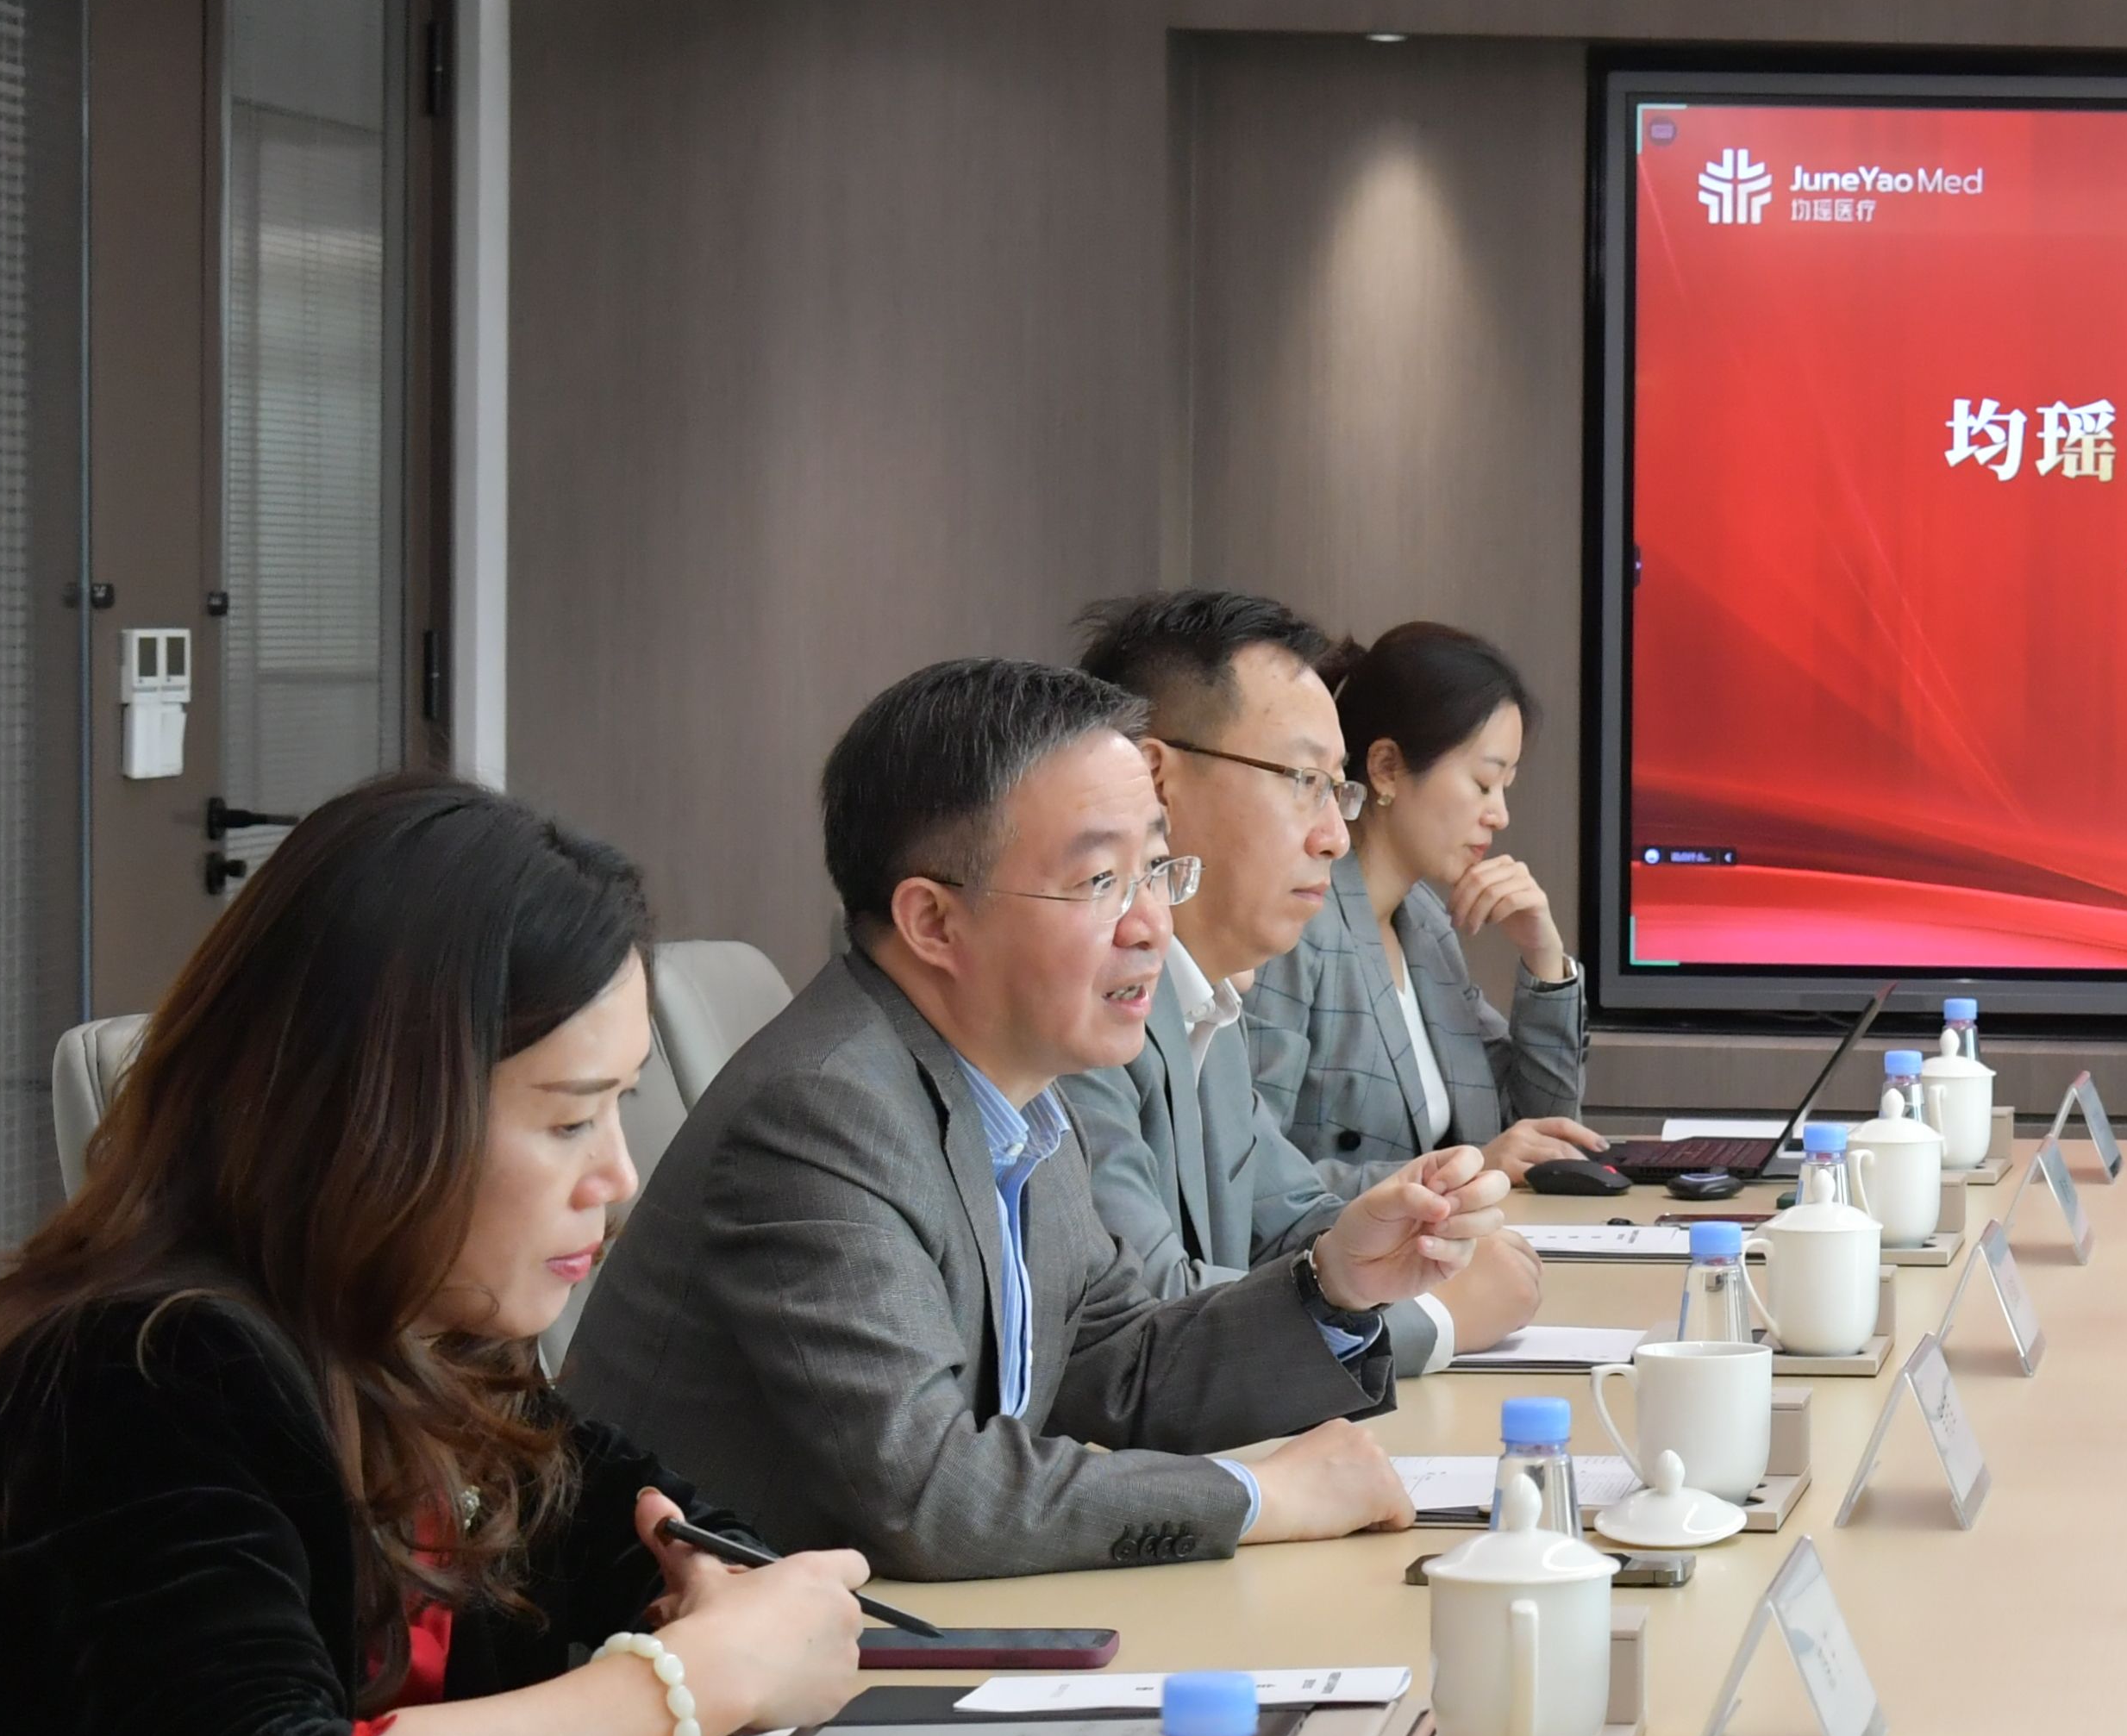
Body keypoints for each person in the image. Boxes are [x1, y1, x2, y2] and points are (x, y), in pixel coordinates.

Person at [0, 779, 869, 1736]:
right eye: (569, 1118)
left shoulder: (422, 1341)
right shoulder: (141, 1370)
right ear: (372, 1110)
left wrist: (713, 1613)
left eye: (620, 1108)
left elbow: (677, 1543)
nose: (617, 1177)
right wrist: (689, 1685)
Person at [566, 659, 1490, 1578]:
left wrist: (1333, 1284)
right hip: (707, 1649)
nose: (1152, 925)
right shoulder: (822, 1114)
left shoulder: (1018, 1092)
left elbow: (1114, 1360)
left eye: (1156, 870)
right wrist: (1260, 1497)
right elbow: (930, 1491)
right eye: (1100, 881)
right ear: (933, 922)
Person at [1062, 590, 1546, 1367]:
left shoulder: (1209, 998)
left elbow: (1292, 1222)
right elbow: (1144, 1324)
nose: (1333, 837)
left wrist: (1413, 1225)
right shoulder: (1079, 1009)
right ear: (1155, 782)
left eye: (1335, 789)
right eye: (1302, 780)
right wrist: (1434, 1320)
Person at [1251, 620, 1606, 1194]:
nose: (1499, 815)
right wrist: (1464, 1171)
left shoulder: (1425, 924)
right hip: (1342, 1251)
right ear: (1386, 768)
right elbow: (1250, 1179)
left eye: (1507, 787)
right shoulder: (1297, 924)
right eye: (1484, 783)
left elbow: (1543, 1136)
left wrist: (1544, 958)